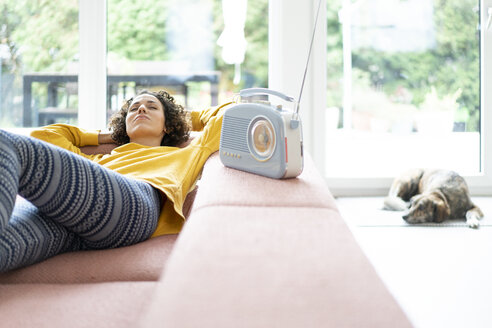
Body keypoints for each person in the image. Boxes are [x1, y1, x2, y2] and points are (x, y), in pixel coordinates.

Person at [0, 90, 230, 272]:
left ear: (167, 125)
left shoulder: (189, 151)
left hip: (137, 205)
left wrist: (180, 119)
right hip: (79, 222)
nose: (141, 108)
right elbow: (45, 136)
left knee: (5, 143)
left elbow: (232, 112)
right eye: (134, 109)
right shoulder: (96, 161)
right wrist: (110, 134)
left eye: (152, 107)